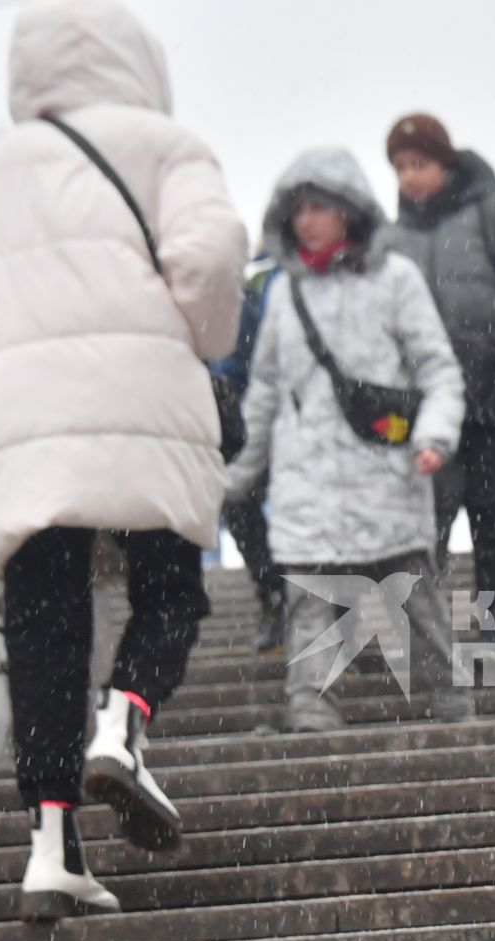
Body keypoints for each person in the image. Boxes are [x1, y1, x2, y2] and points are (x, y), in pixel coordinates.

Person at [0, 0, 248, 920]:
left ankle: (48, 848)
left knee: (44, 629)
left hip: (25, 421)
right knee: (170, 591)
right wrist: (198, 334)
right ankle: (125, 722)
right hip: (140, 395)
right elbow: (214, 257)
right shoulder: (167, 146)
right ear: (134, 59)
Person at [227, 148, 473, 733]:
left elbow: (438, 369)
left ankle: (457, 718)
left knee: (417, 606)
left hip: (386, 473)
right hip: (306, 481)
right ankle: (314, 723)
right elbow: (263, 389)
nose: (306, 219)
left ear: (348, 210)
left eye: (318, 206)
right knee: (312, 604)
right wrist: (240, 472)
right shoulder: (285, 291)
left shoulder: (396, 279)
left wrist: (435, 435)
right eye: (298, 209)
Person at [381, 114, 495, 649]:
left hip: (490, 400)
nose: (410, 177)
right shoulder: (390, 242)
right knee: (426, 524)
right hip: (424, 410)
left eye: (420, 164)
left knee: (491, 516)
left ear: (446, 163)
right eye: (400, 168)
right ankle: (426, 636)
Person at [214, 249, 289, 654]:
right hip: (223, 432)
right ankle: (274, 595)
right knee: (238, 508)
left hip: (262, 424)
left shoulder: (241, 303)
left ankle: (288, 600)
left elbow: (254, 368)